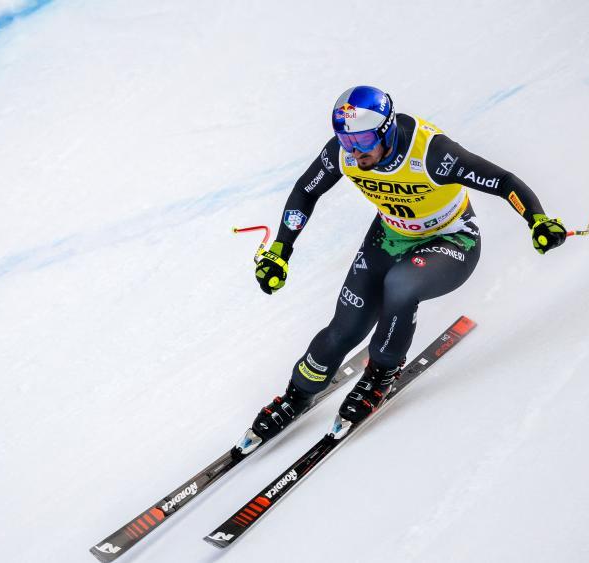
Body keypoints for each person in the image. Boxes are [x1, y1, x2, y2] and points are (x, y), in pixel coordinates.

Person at [239, 85, 566, 452]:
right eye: (345, 140)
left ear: (386, 129)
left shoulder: (431, 153)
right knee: (344, 330)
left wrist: (537, 220)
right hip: (390, 235)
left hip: (453, 240)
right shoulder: (345, 153)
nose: (354, 150)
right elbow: (305, 190)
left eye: (362, 138)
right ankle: (296, 395)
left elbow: (503, 181)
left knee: (401, 286)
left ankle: (381, 374)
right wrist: (280, 251)